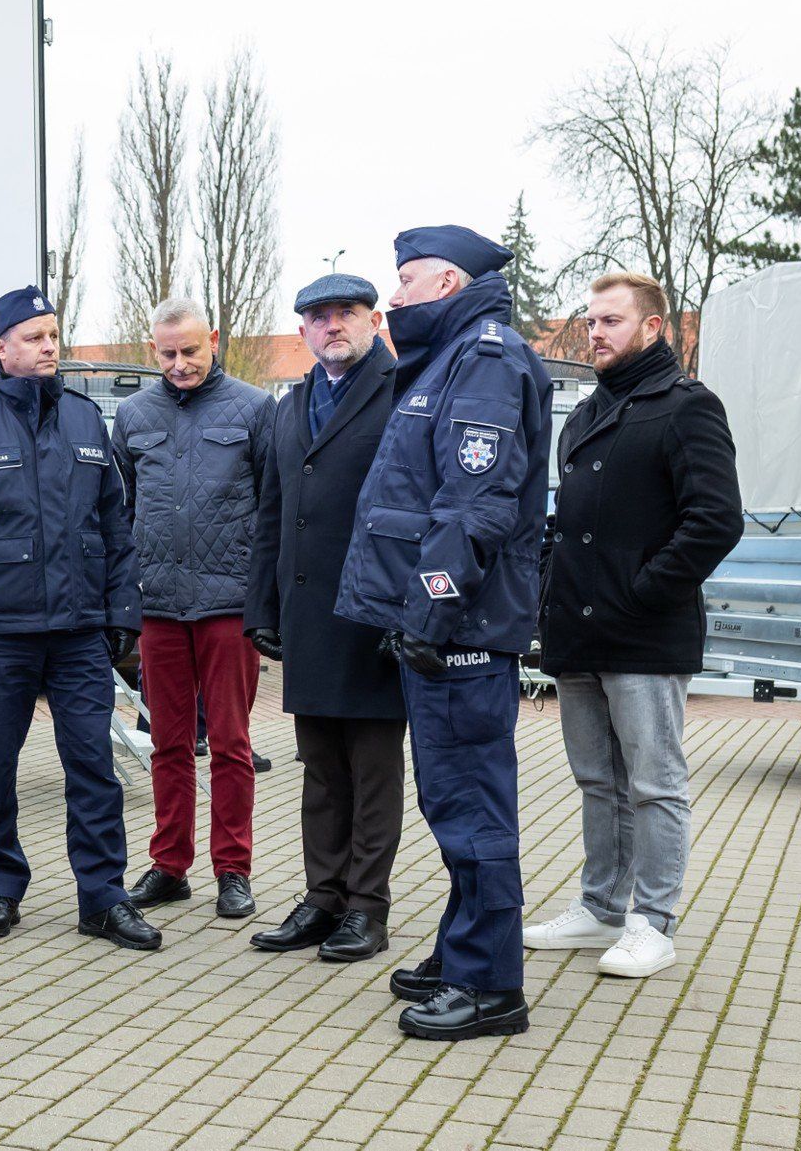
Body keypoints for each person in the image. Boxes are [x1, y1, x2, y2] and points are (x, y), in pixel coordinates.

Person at [334, 225, 552, 1040]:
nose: (393, 297)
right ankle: (463, 949)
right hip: (441, 621)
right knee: (450, 798)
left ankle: (492, 985)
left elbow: (476, 504)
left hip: (459, 624)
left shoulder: (485, 359)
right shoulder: (453, 357)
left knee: (472, 806)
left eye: (409, 279)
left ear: (451, 283)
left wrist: (429, 606)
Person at [0, 284, 160, 950]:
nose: (49, 346)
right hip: (0, 634)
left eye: (53, 334)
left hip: (78, 633)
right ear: (1, 347)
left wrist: (123, 612)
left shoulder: (85, 421)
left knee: (94, 768)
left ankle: (103, 898)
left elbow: (115, 524)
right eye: (33, 337)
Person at [526, 272, 742, 977]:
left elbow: (715, 519)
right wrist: (549, 589)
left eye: (611, 321)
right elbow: (567, 524)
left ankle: (653, 920)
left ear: (652, 328)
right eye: (591, 321)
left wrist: (646, 590)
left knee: (653, 782)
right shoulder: (587, 413)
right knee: (598, 779)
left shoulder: (687, 406)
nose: (595, 332)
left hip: (644, 632)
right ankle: (600, 907)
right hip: (580, 631)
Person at [246, 274, 406, 962]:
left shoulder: (403, 392)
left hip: (373, 615)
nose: (331, 324)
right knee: (319, 769)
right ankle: (323, 897)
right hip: (309, 612)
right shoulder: (293, 403)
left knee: (371, 770)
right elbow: (272, 511)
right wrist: (263, 604)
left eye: (345, 313)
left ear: (372, 320)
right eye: (317, 316)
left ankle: (367, 908)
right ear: (304, 330)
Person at [110, 297, 275, 921]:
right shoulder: (132, 415)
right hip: (159, 605)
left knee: (230, 742)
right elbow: (118, 513)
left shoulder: (257, 408)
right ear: (154, 348)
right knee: (167, 744)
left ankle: (233, 869)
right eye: (167, 354)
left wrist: (266, 602)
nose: (179, 364)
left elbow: (272, 510)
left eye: (190, 351)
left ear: (213, 339)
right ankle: (169, 865)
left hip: (230, 603)